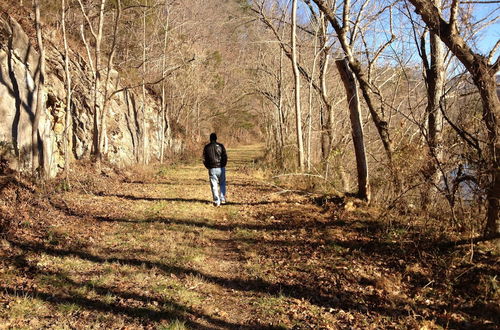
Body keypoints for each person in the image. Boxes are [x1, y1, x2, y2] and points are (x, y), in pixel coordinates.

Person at [203, 133, 227, 206]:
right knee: (222, 183)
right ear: (216, 138)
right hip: (221, 168)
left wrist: (208, 166)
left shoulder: (206, 147)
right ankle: (222, 198)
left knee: (214, 185)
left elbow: (204, 159)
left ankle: (217, 201)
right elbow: (225, 157)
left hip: (212, 168)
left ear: (210, 139)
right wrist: (223, 165)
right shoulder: (221, 146)